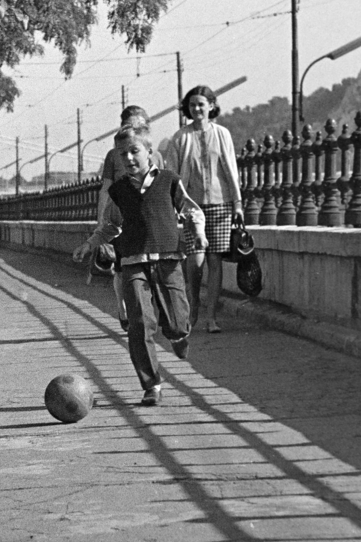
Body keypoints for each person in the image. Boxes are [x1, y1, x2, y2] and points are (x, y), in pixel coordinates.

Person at [73, 125, 206, 407]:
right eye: (123, 154)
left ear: (149, 151)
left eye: (135, 151)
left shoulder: (169, 181)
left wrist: (199, 230)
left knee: (177, 320)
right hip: (133, 262)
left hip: (168, 260)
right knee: (139, 323)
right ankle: (151, 385)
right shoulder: (119, 191)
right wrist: (91, 243)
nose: (129, 158)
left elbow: (191, 210)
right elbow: (110, 225)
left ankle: (179, 336)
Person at [167, 85, 242, 334]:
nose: (197, 109)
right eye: (192, 105)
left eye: (201, 104)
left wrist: (238, 204)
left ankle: (211, 317)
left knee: (215, 260)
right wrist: (174, 206)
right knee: (195, 263)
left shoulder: (222, 134)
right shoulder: (179, 138)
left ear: (211, 105)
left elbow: (231, 169)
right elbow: (172, 176)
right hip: (192, 209)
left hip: (220, 205)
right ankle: (193, 305)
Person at [97, 105, 156, 332]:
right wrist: (102, 221)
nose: (134, 128)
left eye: (140, 125)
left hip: (147, 218)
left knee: (148, 265)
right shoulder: (114, 156)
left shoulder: (154, 153)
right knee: (122, 267)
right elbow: (106, 188)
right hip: (121, 217)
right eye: (130, 124)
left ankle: (144, 313)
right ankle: (124, 307)